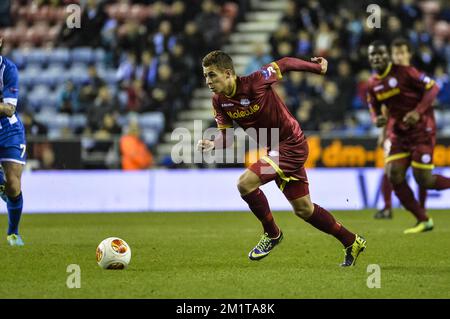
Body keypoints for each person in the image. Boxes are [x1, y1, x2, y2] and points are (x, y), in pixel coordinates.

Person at [198, 50, 366, 266]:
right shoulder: (219, 101)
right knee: (304, 209)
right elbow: (227, 139)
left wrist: (318, 68)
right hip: (274, 149)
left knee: (245, 183)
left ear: (228, 73)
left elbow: (285, 63)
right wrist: (214, 143)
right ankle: (351, 241)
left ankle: (272, 233)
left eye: (212, 75)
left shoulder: (256, 81)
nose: (208, 81)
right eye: (205, 76)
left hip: (292, 144)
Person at [367, 41, 450, 234]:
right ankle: (423, 219)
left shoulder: (405, 72)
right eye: (372, 55)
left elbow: (433, 87)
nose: (376, 58)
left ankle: (417, 211)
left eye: (379, 54)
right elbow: (373, 106)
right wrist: (376, 119)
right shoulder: (372, 84)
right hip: (398, 133)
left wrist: (418, 112)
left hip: (421, 130)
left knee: (424, 179)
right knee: (393, 174)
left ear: (387, 55)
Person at [374, 38, 427, 219]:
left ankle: (421, 208)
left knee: (421, 172)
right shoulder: (388, 78)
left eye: (401, 53)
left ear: (408, 55)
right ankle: (387, 207)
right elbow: (385, 108)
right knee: (389, 168)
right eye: (395, 53)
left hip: (417, 131)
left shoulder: (415, 76)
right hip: (394, 132)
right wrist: (383, 133)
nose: (398, 56)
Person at [0, 38, 26, 246]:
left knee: (13, 184)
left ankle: (13, 234)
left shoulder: (8, 69)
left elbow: (9, 108)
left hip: (8, 129)